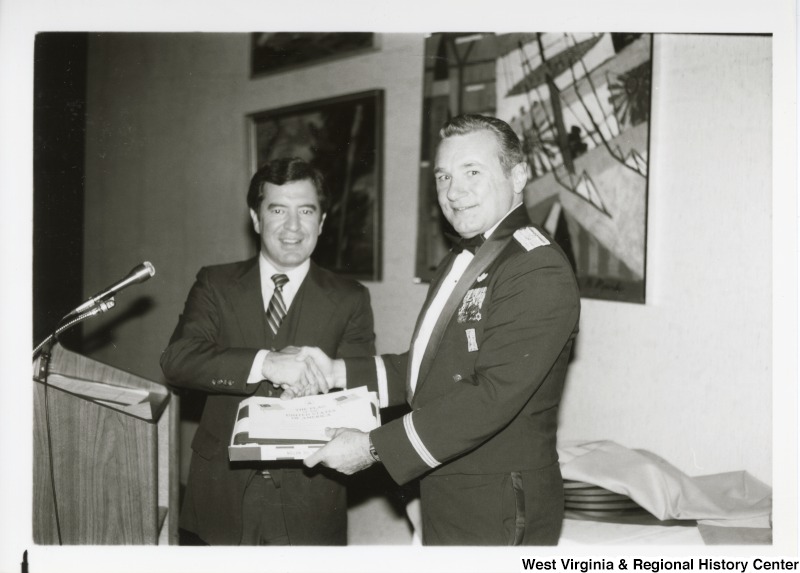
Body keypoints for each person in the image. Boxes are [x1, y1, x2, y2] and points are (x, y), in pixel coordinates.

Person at [284, 114, 580, 545]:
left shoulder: (536, 267)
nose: (453, 192)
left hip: (497, 499)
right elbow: (430, 370)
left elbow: (489, 396)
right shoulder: (466, 257)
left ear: (518, 176)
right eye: (443, 176)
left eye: (472, 172)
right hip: (449, 484)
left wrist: (372, 447)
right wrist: (334, 373)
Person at [160, 157, 376, 545]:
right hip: (219, 499)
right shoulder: (215, 284)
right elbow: (178, 361)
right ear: (256, 220)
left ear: (322, 222)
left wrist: (317, 391)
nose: (293, 227)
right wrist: (266, 363)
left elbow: (360, 397)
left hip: (308, 502)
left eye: (306, 211)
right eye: (278, 210)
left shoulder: (350, 298)